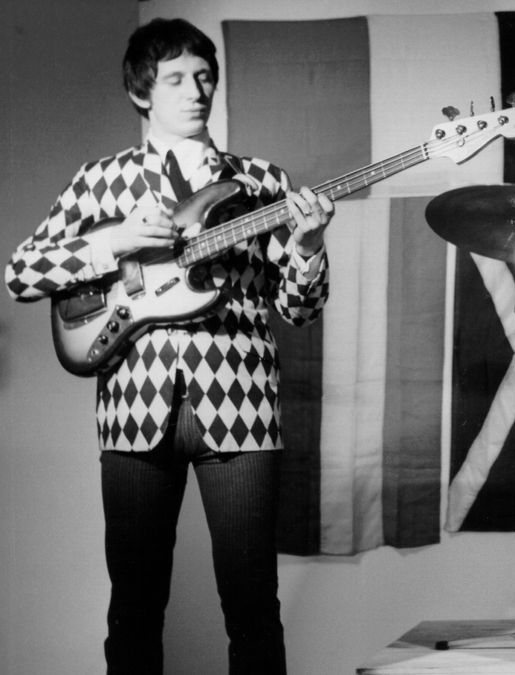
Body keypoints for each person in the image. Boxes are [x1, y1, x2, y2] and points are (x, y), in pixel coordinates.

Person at [5, 18, 334, 675]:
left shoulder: (260, 180)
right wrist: (114, 243)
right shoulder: (102, 181)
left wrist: (308, 248)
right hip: (132, 407)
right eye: (177, 78)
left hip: (242, 406)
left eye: (205, 78)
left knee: (252, 609)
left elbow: (300, 311)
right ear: (141, 92)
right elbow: (20, 273)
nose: (196, 91)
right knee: (133, 606)